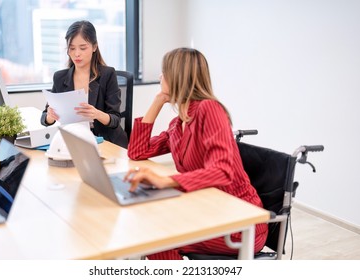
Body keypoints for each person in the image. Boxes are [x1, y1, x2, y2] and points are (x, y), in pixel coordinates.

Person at [125, 47, 268, 260]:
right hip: (208, 210)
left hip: (240, 222)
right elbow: (137, 152)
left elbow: (222, 171)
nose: (160, 77)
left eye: (164, 72)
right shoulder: (178, 123)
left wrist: (166, 181)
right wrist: (157, 102)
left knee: (157, 236)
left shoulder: (209, 109)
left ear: (177, 77)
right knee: (150, 224)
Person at [40, 20, 128, 148]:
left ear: (94, 47)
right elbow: (44, 118)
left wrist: (97, 114)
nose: (76, 54)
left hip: (106, 142)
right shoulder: (60, 77)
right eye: (72, 48)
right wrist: (50, 117)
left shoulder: (107, 74)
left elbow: (115, 119)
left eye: (83, 48)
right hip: (75, 140)